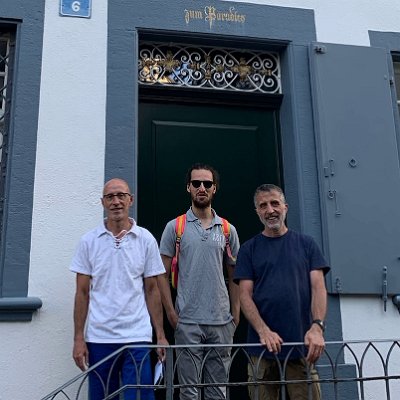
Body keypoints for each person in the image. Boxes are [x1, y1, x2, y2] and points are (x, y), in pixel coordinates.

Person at [70, 178, 168, 400]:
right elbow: (82, 293)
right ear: (103, 202)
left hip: (137, 336)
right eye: (110, 197)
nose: (116, 201)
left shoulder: (145, 239)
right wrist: (78, 339)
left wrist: (160, 335)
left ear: (130, 200)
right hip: (100, 337)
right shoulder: (89, 241)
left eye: (121, 196)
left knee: (139, 396)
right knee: (103, 397)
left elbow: (152, 291)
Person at [234, 184, 330, 400]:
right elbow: (244, 295)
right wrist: (263, 331)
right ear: (257, 212)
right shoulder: (249, 249)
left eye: (274, 203)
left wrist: (317, 328)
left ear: (285, 207)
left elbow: (318, 288)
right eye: (263, 206)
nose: (270, 210)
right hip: (261, 348)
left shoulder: (307, 245)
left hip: (301, 345)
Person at [158, 163, 240, 400]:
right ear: (188, 187)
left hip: (221, 322)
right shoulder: (175, 227)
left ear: (214, 188)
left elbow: (235, 276)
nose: (201, 188)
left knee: (217, 392)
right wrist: (171, 314)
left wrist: (235, 315)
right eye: (196, 183)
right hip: (188, 321)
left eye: (207, 183)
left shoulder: (227, 230)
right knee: (189, 393)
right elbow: (161, 274)